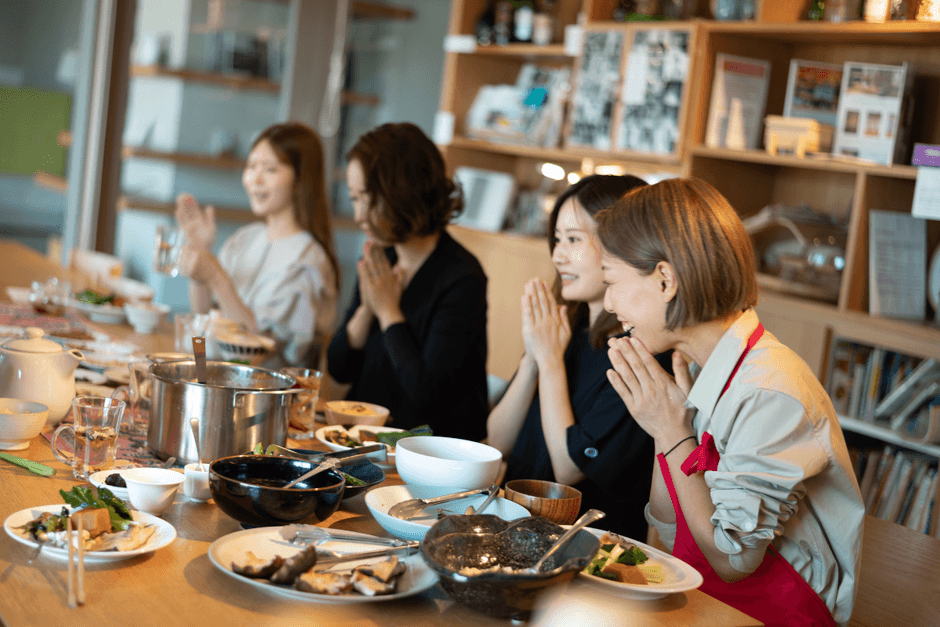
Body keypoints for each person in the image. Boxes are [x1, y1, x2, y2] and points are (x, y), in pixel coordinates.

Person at [598, 178, 864, 626]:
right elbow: (668, 526)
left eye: (611, 280)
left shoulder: (769, 390)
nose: (607, 303)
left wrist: (671, 431)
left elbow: (732, 560)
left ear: (665, 280)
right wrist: (665, 426)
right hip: (709, 602)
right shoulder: (699, 365)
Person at [487, 174, 668, 540]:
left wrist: (549, 361)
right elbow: (496, 442)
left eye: (573, 239)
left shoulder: (638, 352)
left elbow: (568, 469)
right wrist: (533, 359)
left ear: (622, 244)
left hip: (585, 549)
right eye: (556, 239)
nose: (557, 256)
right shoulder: (562, 329)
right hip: (516, 530)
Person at [326, 122, 488, 441]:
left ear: (401, 193)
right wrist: (366, 310)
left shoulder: (462, 277)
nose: (358, 215)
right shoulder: (382, 257)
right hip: (365, 440)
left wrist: (388, 311)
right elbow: (339, 368)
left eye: (365, 199)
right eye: (354, 198)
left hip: (427, 450)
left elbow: (427, 395)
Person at [175, 122, 340, 369]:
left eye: (270, 169)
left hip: (264, 389)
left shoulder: (308, 262)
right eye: (251, 167)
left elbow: (254, 356)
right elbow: (204, 316)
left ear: (300, 179)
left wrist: (217, 279)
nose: (255, 179)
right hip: (217, 375)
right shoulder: (246, 238)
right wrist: (200, 255)